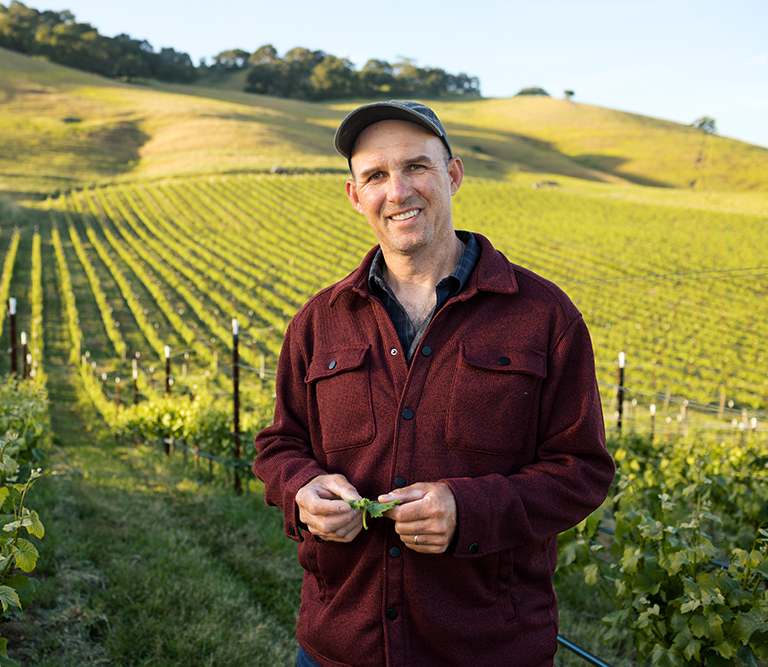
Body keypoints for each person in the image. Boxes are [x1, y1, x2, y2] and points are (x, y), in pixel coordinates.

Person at [253, 100, 615, 667]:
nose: (397, 191)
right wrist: (302, 490)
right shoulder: (319, 321)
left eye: (416, 167)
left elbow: (582, 471)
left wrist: (468, 510)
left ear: (453, 175)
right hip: (340, 649)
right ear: (355, 195)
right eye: (375, 175)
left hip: (490, 651)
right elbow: (280, 444)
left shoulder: (544, 317)